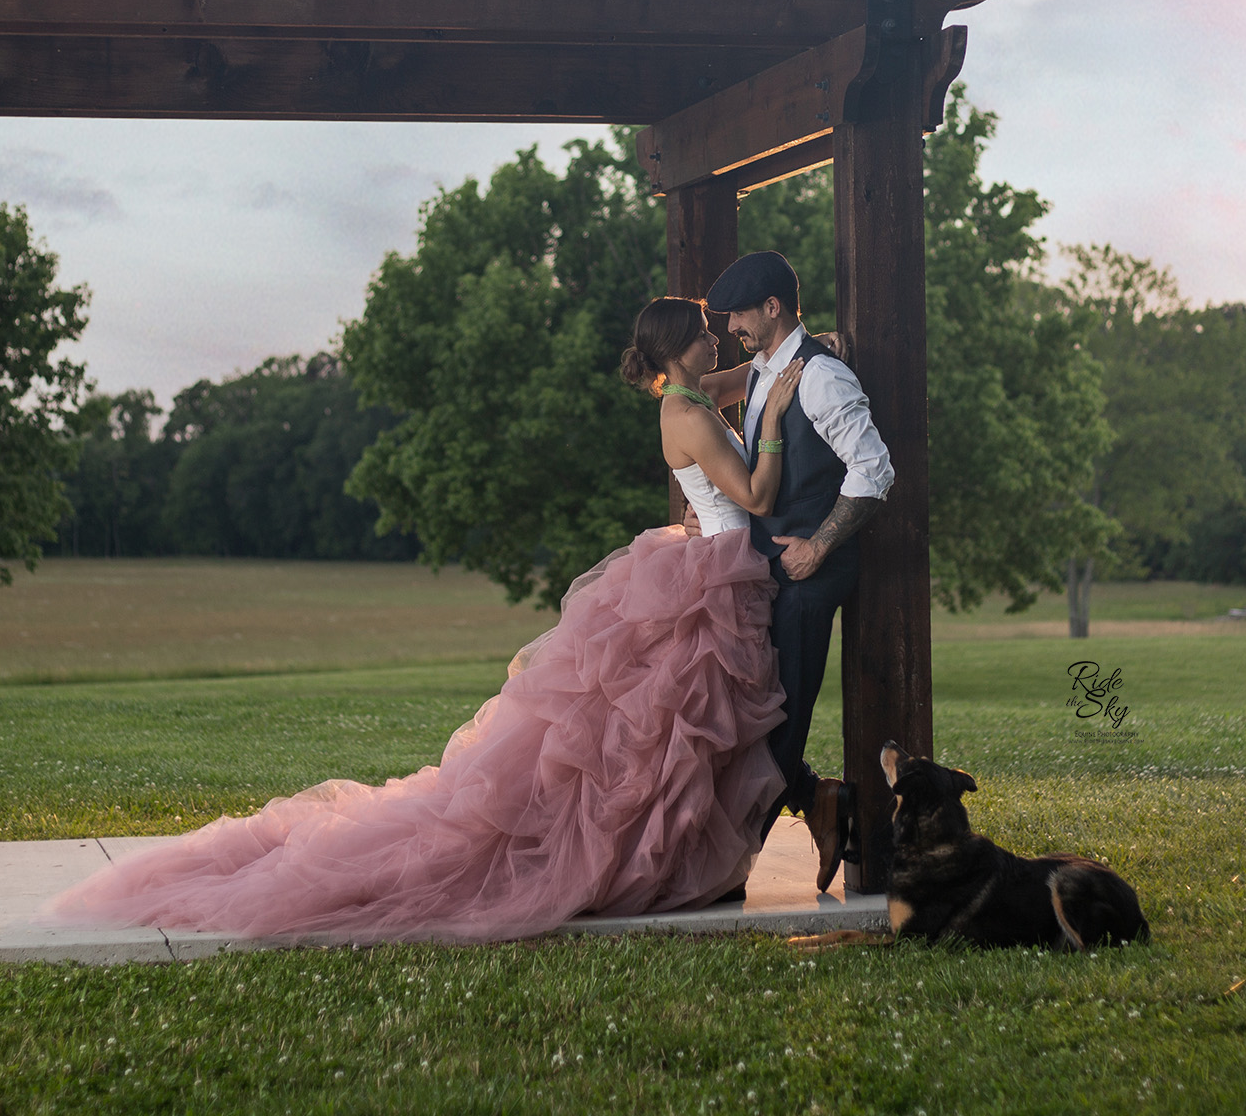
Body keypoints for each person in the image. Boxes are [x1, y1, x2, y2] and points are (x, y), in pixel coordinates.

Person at [41, 297, 806, 944]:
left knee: (670, 733)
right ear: (678, 351)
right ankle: (638, 862)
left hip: (705, 569)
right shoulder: (694, 415)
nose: (718, 338)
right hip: (711, 574)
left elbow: (738, 378)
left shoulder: (692, 396)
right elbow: (759, 495)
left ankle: (672, 855)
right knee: (660, 733)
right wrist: (774, 415)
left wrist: (789, 357)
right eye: (706, 331)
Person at [696, 250, 895, 889]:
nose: (732, 328)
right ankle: (819, 802)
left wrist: (821, 545)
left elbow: (875, 469)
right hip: (772, 568)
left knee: (782, 715)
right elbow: (690, 390)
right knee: (758, 711)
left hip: (809, 574)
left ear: (773, 307)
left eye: (739, 315)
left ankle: (729, 873)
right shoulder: (763, 369)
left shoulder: (821, 379)